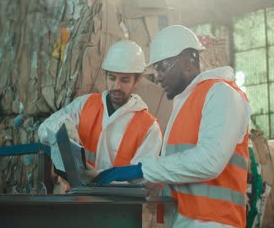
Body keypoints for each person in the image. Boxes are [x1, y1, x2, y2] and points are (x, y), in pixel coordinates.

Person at [93, 25, 252, 228]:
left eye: (162, 67)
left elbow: (209, 161)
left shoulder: (221, 93)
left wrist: (143, 170)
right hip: (186, 219)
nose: (157, 76)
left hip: (215, 222)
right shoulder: (186, 103)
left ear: (186, 62)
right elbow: (180, 170)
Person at [38, 40, 162, 180]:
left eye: (124, 80)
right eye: (112, 78)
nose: (116, 86)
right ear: (105, 76)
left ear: (137, 80)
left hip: (119, 200)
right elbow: (43, 130)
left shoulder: (149, 128)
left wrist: (100, 178)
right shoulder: (85, 104)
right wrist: (63, 126)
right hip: (78, 197)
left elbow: (141, 180)